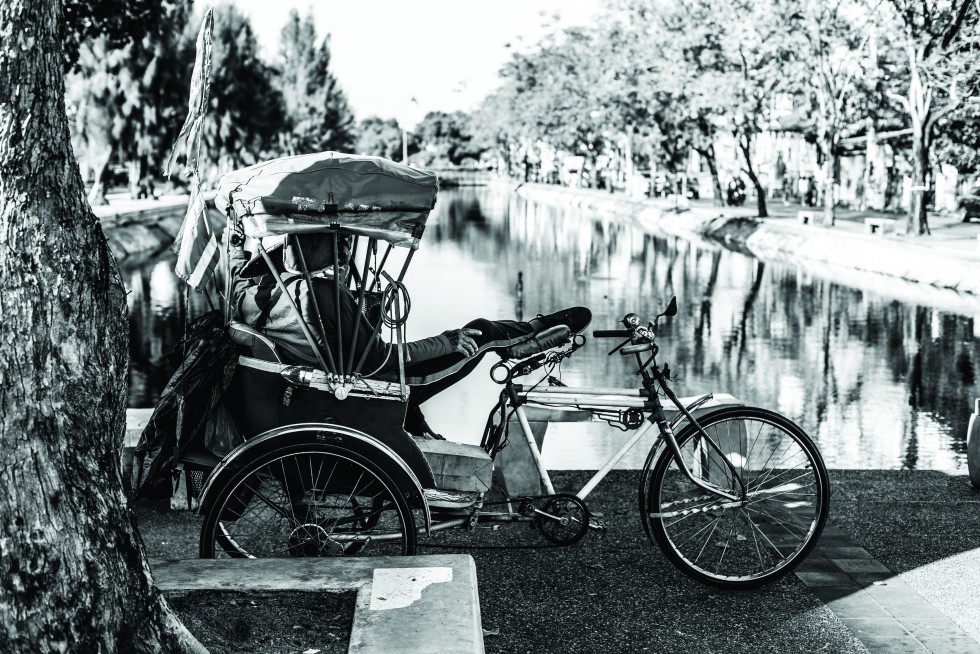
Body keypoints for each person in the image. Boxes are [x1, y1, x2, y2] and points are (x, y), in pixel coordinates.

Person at [229, 233, 591, 439]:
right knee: (480, 331)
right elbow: (378, 360)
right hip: (369, 388)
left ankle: (422, 432)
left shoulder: (253, 293)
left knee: (469, 334)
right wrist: (445, 341)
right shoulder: (320, 293)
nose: (344, 254)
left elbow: (236, 266)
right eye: (340, 244)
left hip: (315, 385)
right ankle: (527, 335)